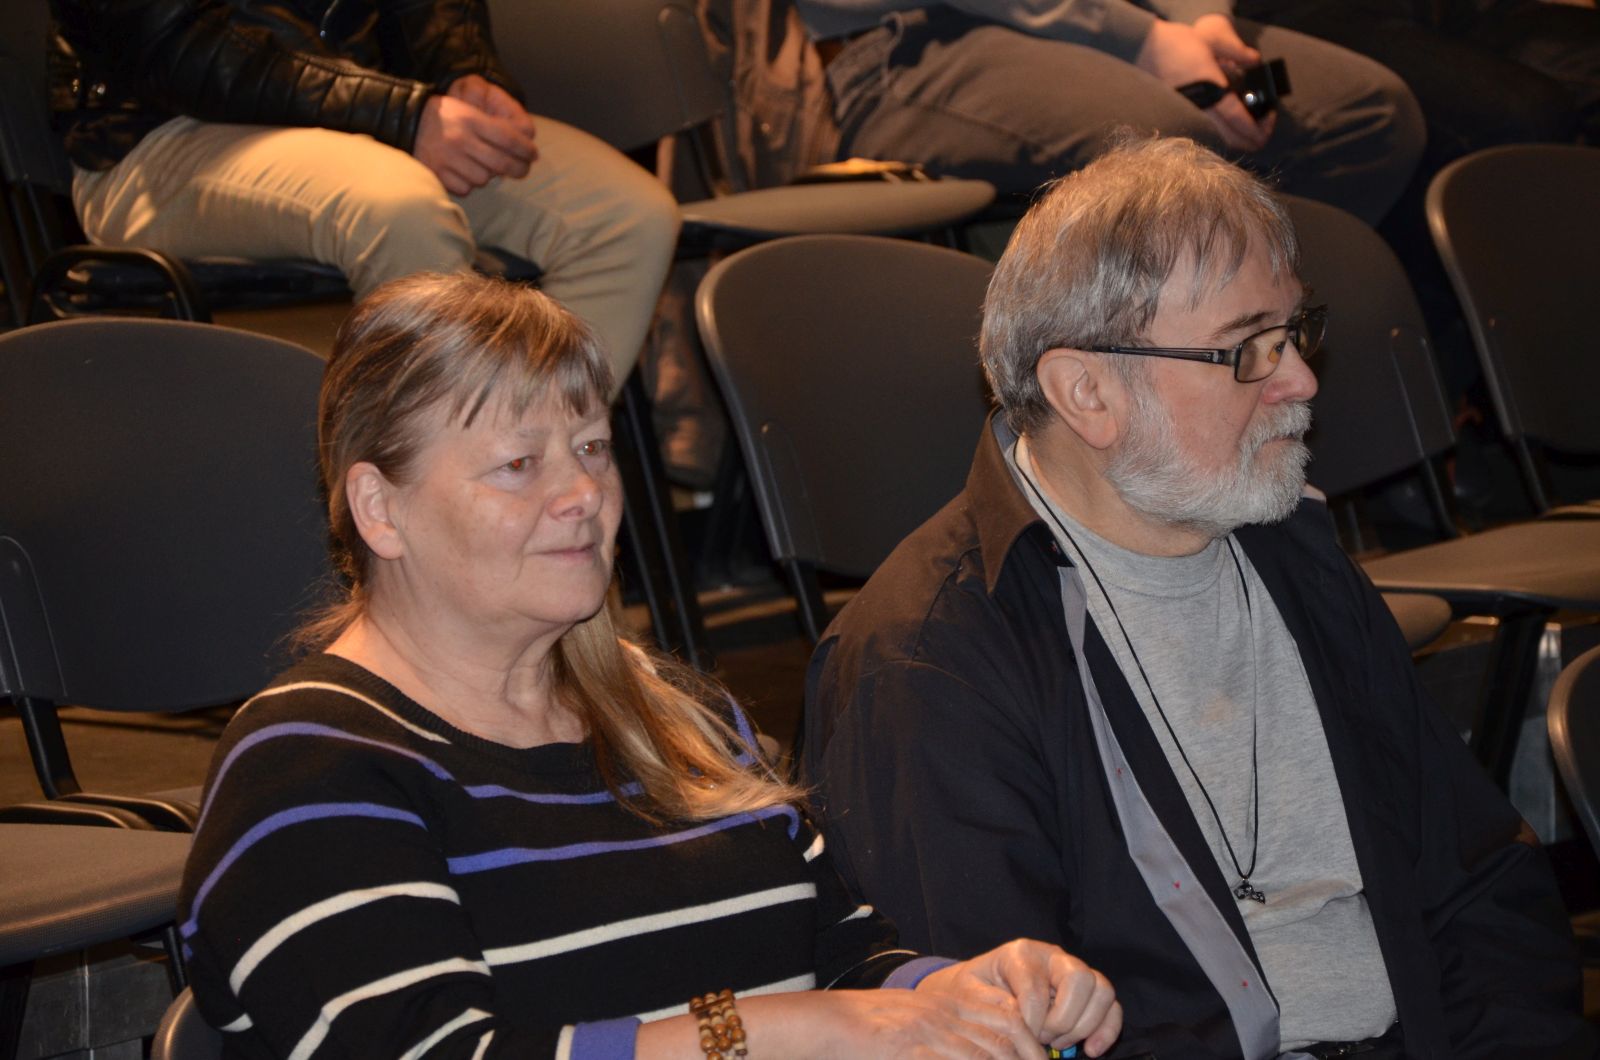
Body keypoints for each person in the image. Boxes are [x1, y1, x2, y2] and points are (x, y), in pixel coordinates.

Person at [175, 272, 1124, 1059]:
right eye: (518, 464)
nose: (582, 493)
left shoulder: (676, 714)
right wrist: (775, 1032)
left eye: (592, 447)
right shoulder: (307, 766)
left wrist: (960, 991)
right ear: (381, 510)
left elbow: (843, 955)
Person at [802, 136, 1595, 1058]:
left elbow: (1477, 885)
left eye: (1293, 332)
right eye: (1247, 348)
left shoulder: (1287, 545)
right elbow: (992, 1031)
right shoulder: (927, 662)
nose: (1299, 379)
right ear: (1088, 392)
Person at [48, 0, 678, 379]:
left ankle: (523, 468)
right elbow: (176, 48)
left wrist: (463, 68)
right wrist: (400, 114)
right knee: (399, 209)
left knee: (625, 217)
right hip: (157, 137)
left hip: (364, 110)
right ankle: (429, 500)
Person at [793, 0, 1425, 226]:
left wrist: (1200, 19)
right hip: (904, 39)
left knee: (1367, 115)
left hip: (1126, 19)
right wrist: (1140, 40)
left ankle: (1261, 363)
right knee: (1169, 150)